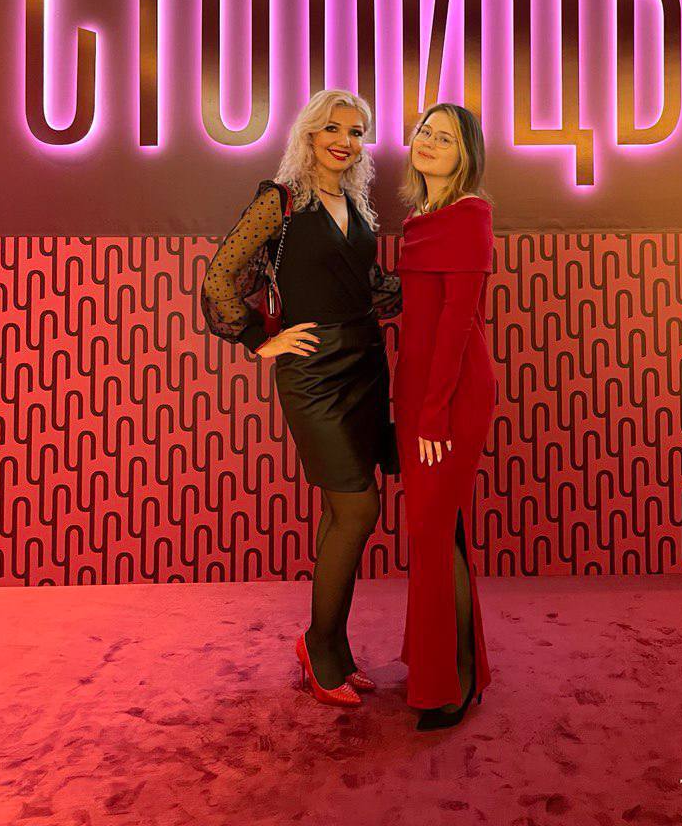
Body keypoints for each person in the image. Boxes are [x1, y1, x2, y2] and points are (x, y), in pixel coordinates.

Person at [200, 89, 397, 708]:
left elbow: (369, 285)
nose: (345, 140)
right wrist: (260, 339)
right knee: (358, 509)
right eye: (332, 128)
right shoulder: (279, 201)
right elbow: (219, 277)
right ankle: (317, 644)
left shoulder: (358, 206)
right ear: (309, 134)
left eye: (356, 131)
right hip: (313, 372)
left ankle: (333, 650)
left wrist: (434, 273)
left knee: (342, 513)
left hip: (365, 364)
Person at [393, 102, 497, 731]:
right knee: (436, 532)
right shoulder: (418, 219)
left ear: (466, 155)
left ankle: (451, 680)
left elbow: (458, 323)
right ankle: (449, 666)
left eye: (446, 138)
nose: (429, 142)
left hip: (451, 395)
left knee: (434, 535)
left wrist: (432, 416)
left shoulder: (470, 214)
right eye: (425, 132)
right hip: (416, 391)